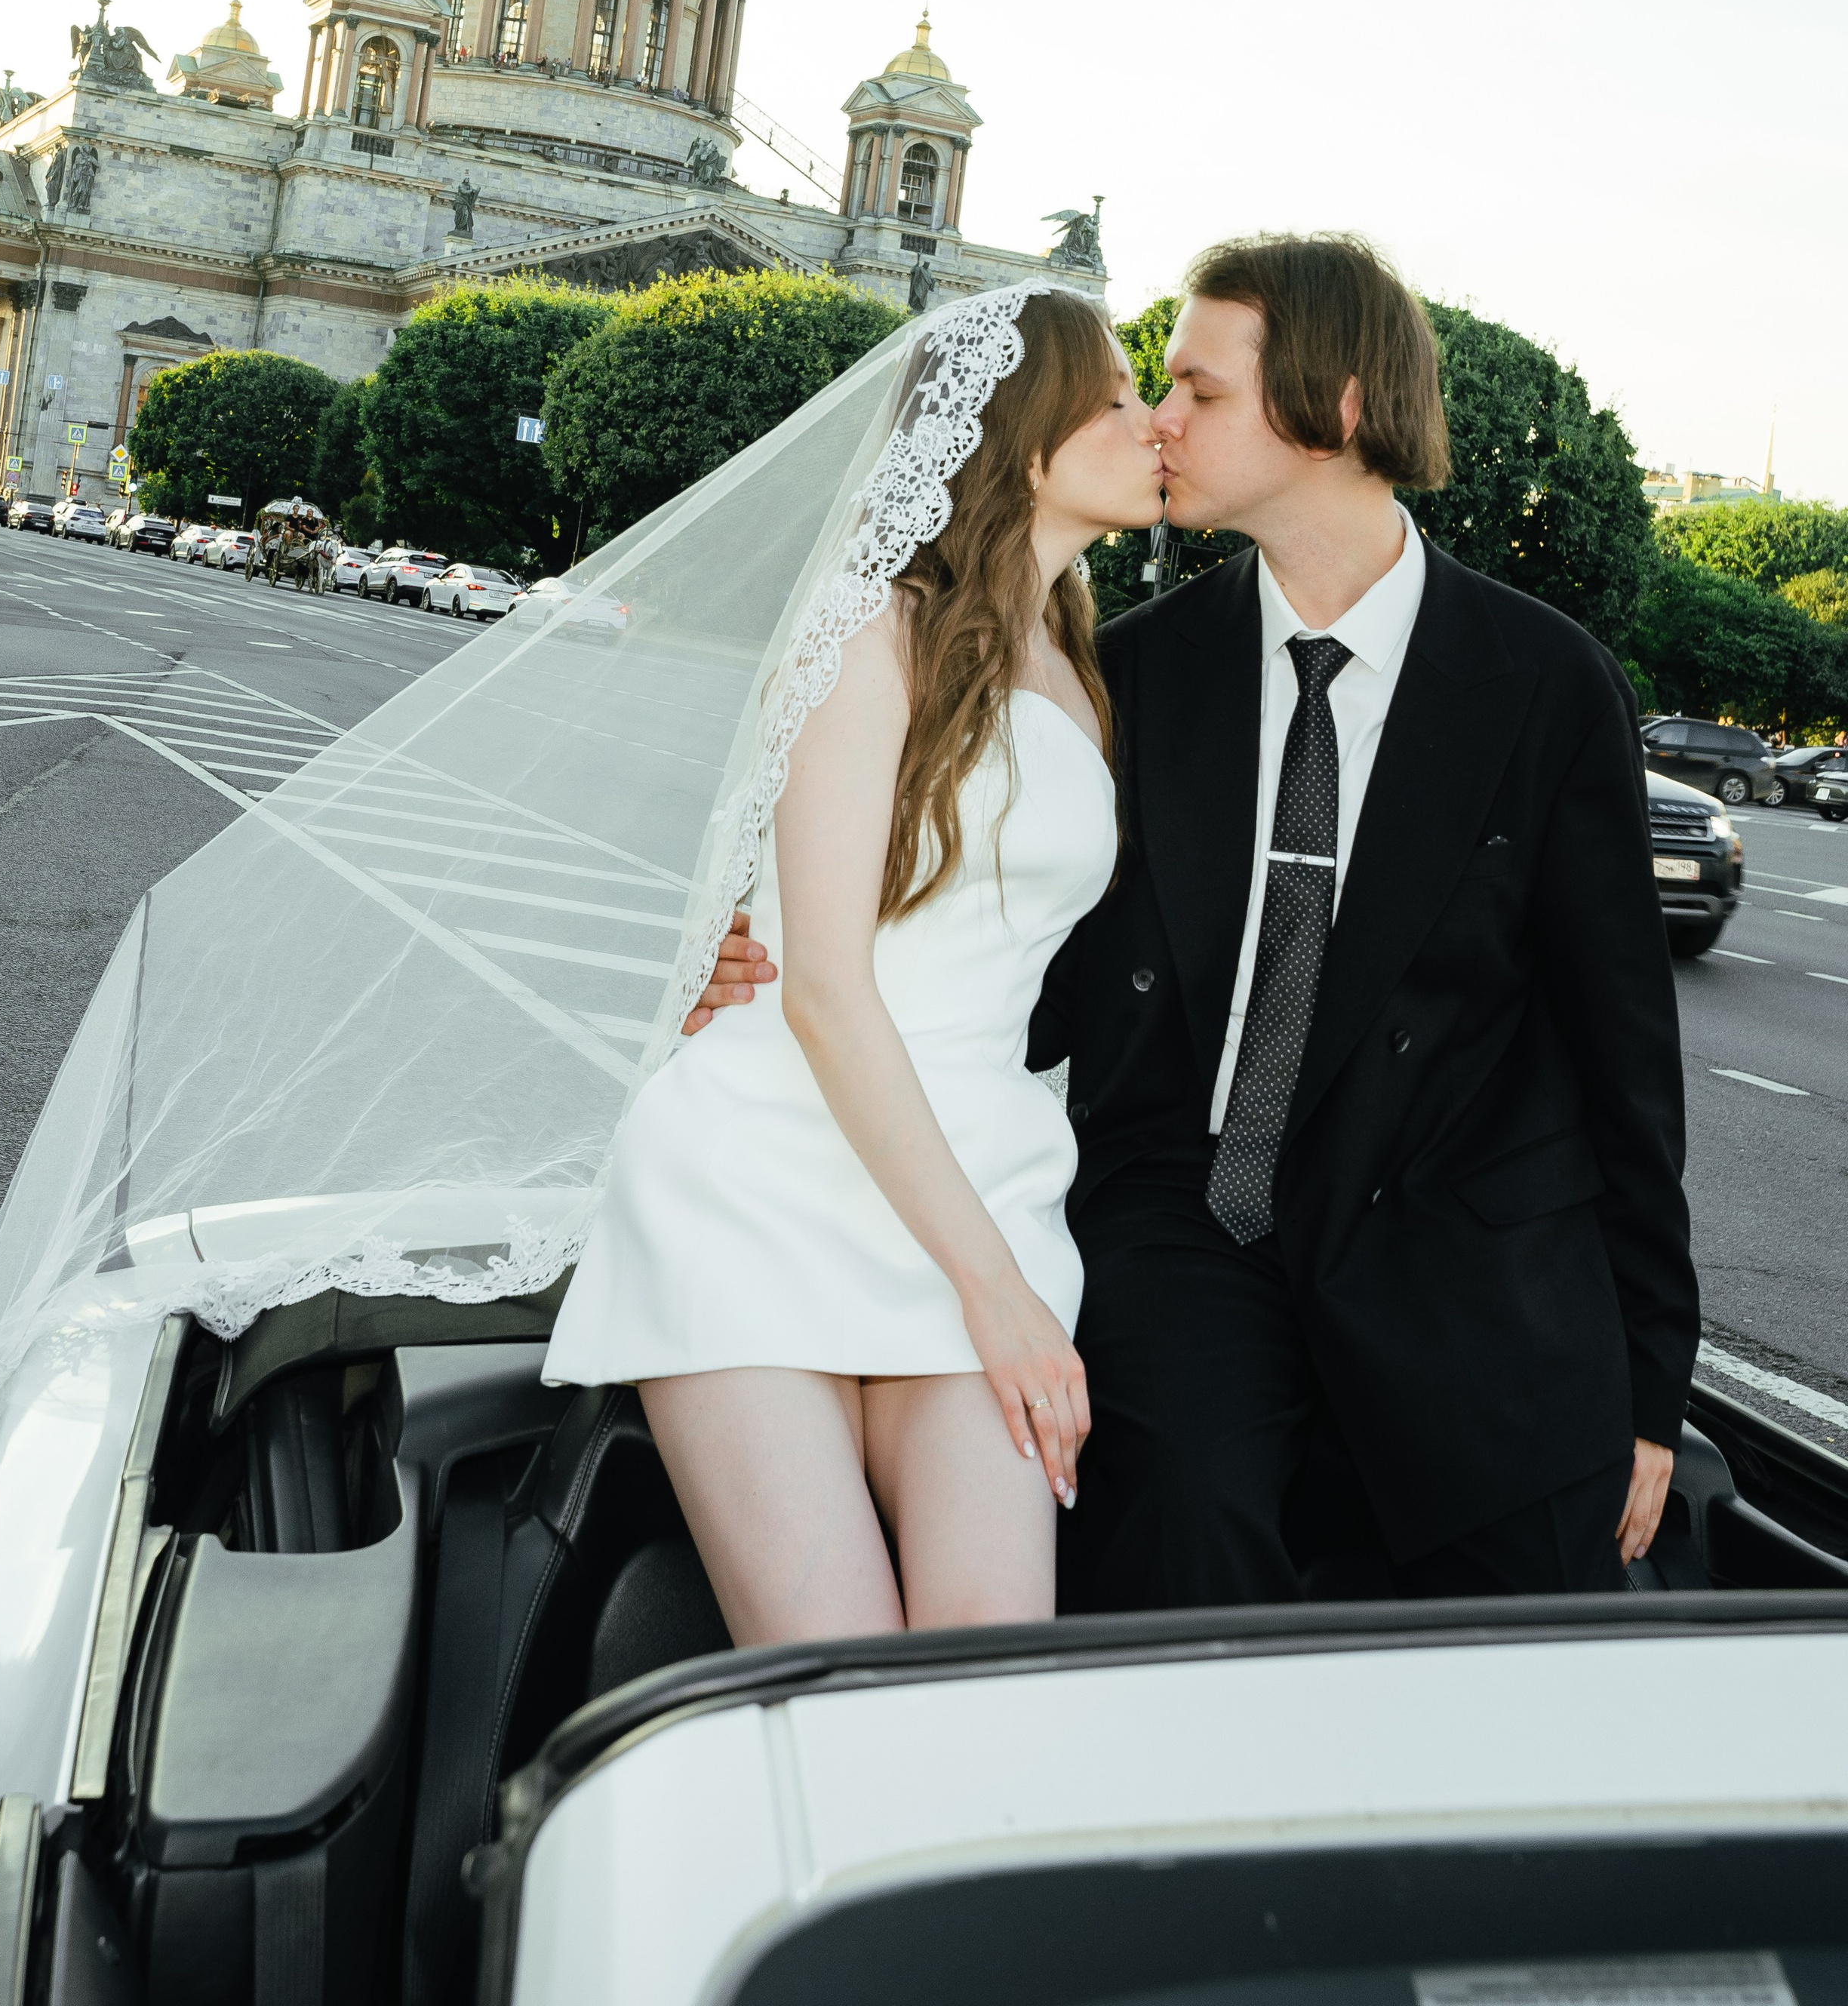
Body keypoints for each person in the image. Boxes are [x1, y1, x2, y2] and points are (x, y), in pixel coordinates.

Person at [695, 234, 1699, 1610]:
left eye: (1198, 391)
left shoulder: (1546, 681)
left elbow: (1625, 1049)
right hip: (1190, 1215)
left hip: (1455, 1239)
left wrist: (1653, 1372)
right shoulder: (1136, 671)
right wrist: (784, 963)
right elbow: (1019, 952)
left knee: (1511, 1580)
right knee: (1180, 1516)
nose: (1161, 419)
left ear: (1337, 413)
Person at [545, 286, 1167, 1643]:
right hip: (766, 1176)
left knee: (980, 1663)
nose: (1151, 419)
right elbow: (825, 985)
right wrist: (996, 1294)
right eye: (1116, 395)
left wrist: (998, 1274)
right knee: (838, 1676)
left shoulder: (1076, 656)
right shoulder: (871, 625)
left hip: (986, 1175)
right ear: (1022, 432)